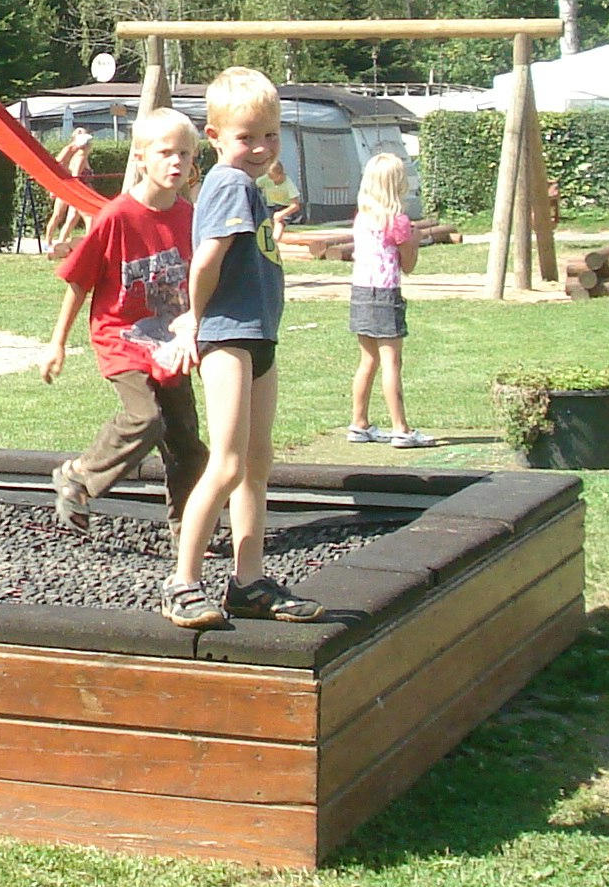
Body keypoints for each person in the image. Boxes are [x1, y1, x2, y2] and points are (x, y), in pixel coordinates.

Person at [162, 67, 320, 630]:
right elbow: (205, 261)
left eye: (270, 135)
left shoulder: (250, 188)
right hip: (229, 335)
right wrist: (193, 321)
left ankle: (248, 582)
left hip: (258, 335)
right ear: (216, 137)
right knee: (228, 463)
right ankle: (182, 583)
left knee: (257, 462)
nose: (260, 148)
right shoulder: (229, 185)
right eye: (246, 137)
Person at [36, 107, 207, 535]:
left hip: (170, 343)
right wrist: (57, 343)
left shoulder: (190, 217)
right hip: (122, 338)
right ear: (141, 158)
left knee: (188, 446)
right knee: (145, 419)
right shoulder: (117, 217)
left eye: (184, 155)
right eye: (165, 153)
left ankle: (187, 532)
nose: (176, 163)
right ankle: (79, 474)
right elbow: (78, 281)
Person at [346, 152, 435, 449]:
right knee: (391, 362)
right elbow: (407, 265)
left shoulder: (362, 218)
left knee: (367, 360)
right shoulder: (398, 222)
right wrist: (414, 240)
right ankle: (401, 428)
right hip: (385, 294)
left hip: (360, 291)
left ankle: (359, 422)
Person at [40, 128, 96, 255]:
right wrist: (54, 187)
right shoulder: (74, 153)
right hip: (71, 189)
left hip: (74, 188)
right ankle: (48, 242)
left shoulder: (79, 154)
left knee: (72, 218)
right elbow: (71, 173)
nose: (89, 145)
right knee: (61, 215)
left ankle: (60, 242)